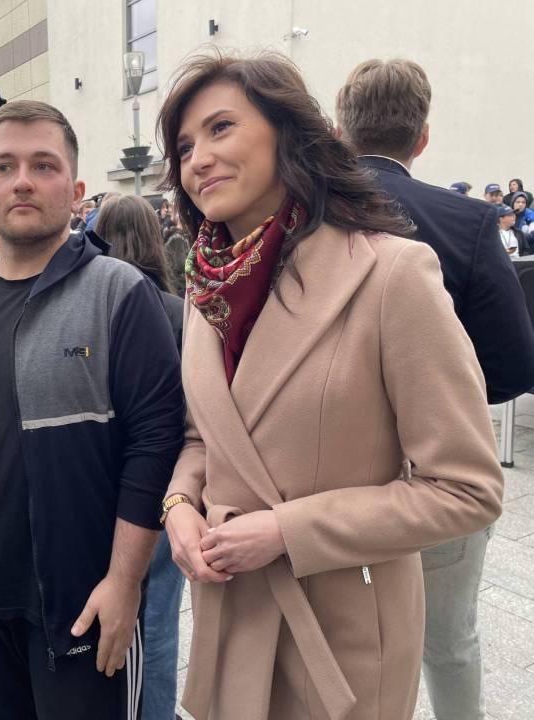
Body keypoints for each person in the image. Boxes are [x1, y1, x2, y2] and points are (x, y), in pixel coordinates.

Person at [159, 53, 503, 720]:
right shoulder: (207, 289)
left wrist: (288, 530)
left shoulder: (392, 273)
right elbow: (205, 436)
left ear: (288, 133)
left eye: (221, 127)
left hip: (343, 636)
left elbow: (467, 489)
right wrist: (178, 506)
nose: (198, 158)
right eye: (184, 146)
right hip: (232, 618)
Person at [0, 100, 184, 719]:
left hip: (81, 601)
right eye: (4, 166)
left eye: (43, 165)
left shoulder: (119, 293)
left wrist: (124, 581)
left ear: (76, 193)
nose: (22, 180)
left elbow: (154, 445)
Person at [339, 62, 534, 720]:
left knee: (337, 640)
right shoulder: (468, 222)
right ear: (422, 138)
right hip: (433, 471)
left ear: (339, 131)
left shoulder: (301, 218)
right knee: (448, 641)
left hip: (322, 477)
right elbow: (514, 366)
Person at [94, 194, 185, 720]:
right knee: (158, 619)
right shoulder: (178, 311)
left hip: (101, 487)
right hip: (167, 490)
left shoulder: (89, 305)